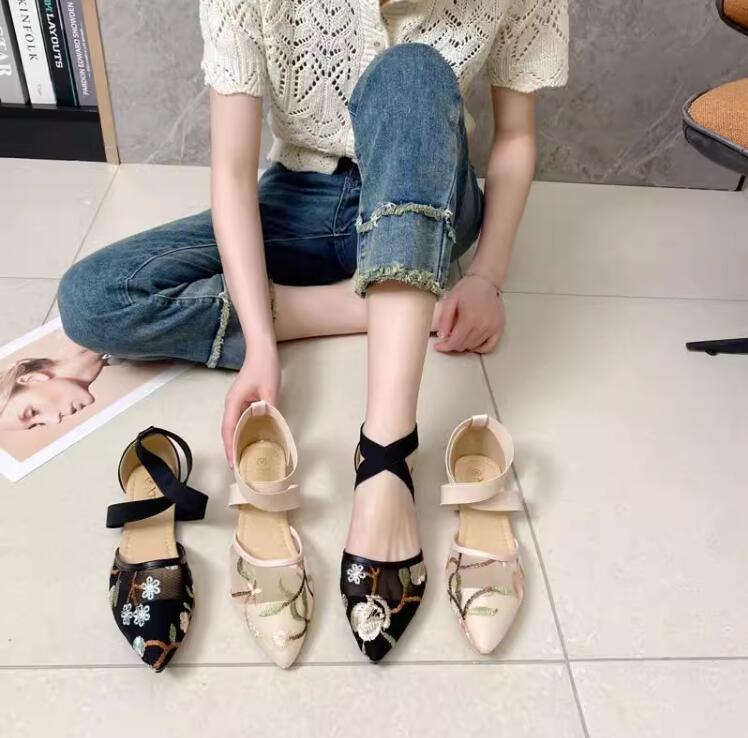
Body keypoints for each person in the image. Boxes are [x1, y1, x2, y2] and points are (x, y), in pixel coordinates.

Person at [57, 0, 568, 655]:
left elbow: (516, 137)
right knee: (93, 300)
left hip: (425, 192)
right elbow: (233, 172)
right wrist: (259, 345)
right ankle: (390, 302)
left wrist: (487, 277)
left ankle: (385, 464)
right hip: (298, 201)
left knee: (412, 72)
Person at [0, 335, 106, 431]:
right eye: (39, 424)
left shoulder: (89, 327)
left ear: (32, 378)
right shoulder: (111, 353)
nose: (56, 420)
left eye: (34, 412)